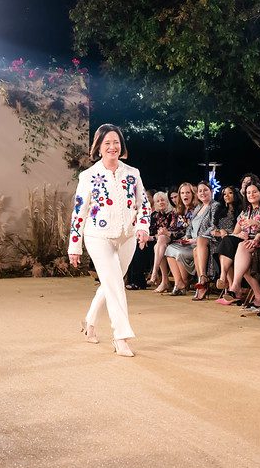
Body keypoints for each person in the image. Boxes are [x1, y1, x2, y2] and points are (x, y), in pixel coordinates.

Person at [68, 124, 151, 357]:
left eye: (116, 142)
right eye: (107, 143)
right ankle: (121, 337)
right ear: (99, 147)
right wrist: (74, 246)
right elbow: (79, 212)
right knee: (115, 284)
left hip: (128, 237)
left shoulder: (133, 173)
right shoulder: (88, 176)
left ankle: (90, 322)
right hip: (98, 236)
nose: (112, 147)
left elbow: (143, 204)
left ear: (121, 146)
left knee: (110, 284)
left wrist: (143, 227)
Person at [165, 182, 218, 298]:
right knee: (169, 249)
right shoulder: (198, 207)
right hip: (192, 242)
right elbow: (190, 227)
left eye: (205, 190)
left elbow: (213, 226)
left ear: (211, 191)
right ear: (197, 194)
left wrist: (197, 239)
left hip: (206, 241)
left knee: (179, 252)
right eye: (200, 191)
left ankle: (188, 282)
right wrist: (187, 237)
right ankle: (179, 283)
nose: (202, 193)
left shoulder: (215, 205)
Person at [215, 184, 260, 304]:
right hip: (244, 240)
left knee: (240, 253)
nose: (251, 195)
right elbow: (235, 232)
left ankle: (233, 286)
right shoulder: (245, 212)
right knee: (227, 239)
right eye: (248, 193)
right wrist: (239, 235)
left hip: (258, 241)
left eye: (254, 192)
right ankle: (223, 277)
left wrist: (257, 224)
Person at [205, 185, 241, 288]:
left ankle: (225, 280)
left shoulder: (241, 210)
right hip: (219, 239)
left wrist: (225, 233)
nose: (227, 196)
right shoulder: (220, 210)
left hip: (233, 239)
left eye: (230, 193)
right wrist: (219, 231)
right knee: (219, 246)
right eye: (224, 194)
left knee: (225, 248)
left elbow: (238, 230)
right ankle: (228, 283)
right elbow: (214, 227)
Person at [140, 191, 173, 291]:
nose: (161, 202)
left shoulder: (172, 213)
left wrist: (163, 233)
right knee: (158, 246)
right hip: (160, 242)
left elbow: (175, 230)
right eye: (158, 201)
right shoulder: (154, 215)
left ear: (167, 201)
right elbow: (151, 234)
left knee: (160, 241)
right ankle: (164, 281)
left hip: (173, 238)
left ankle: (154, 274)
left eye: (162, 200)